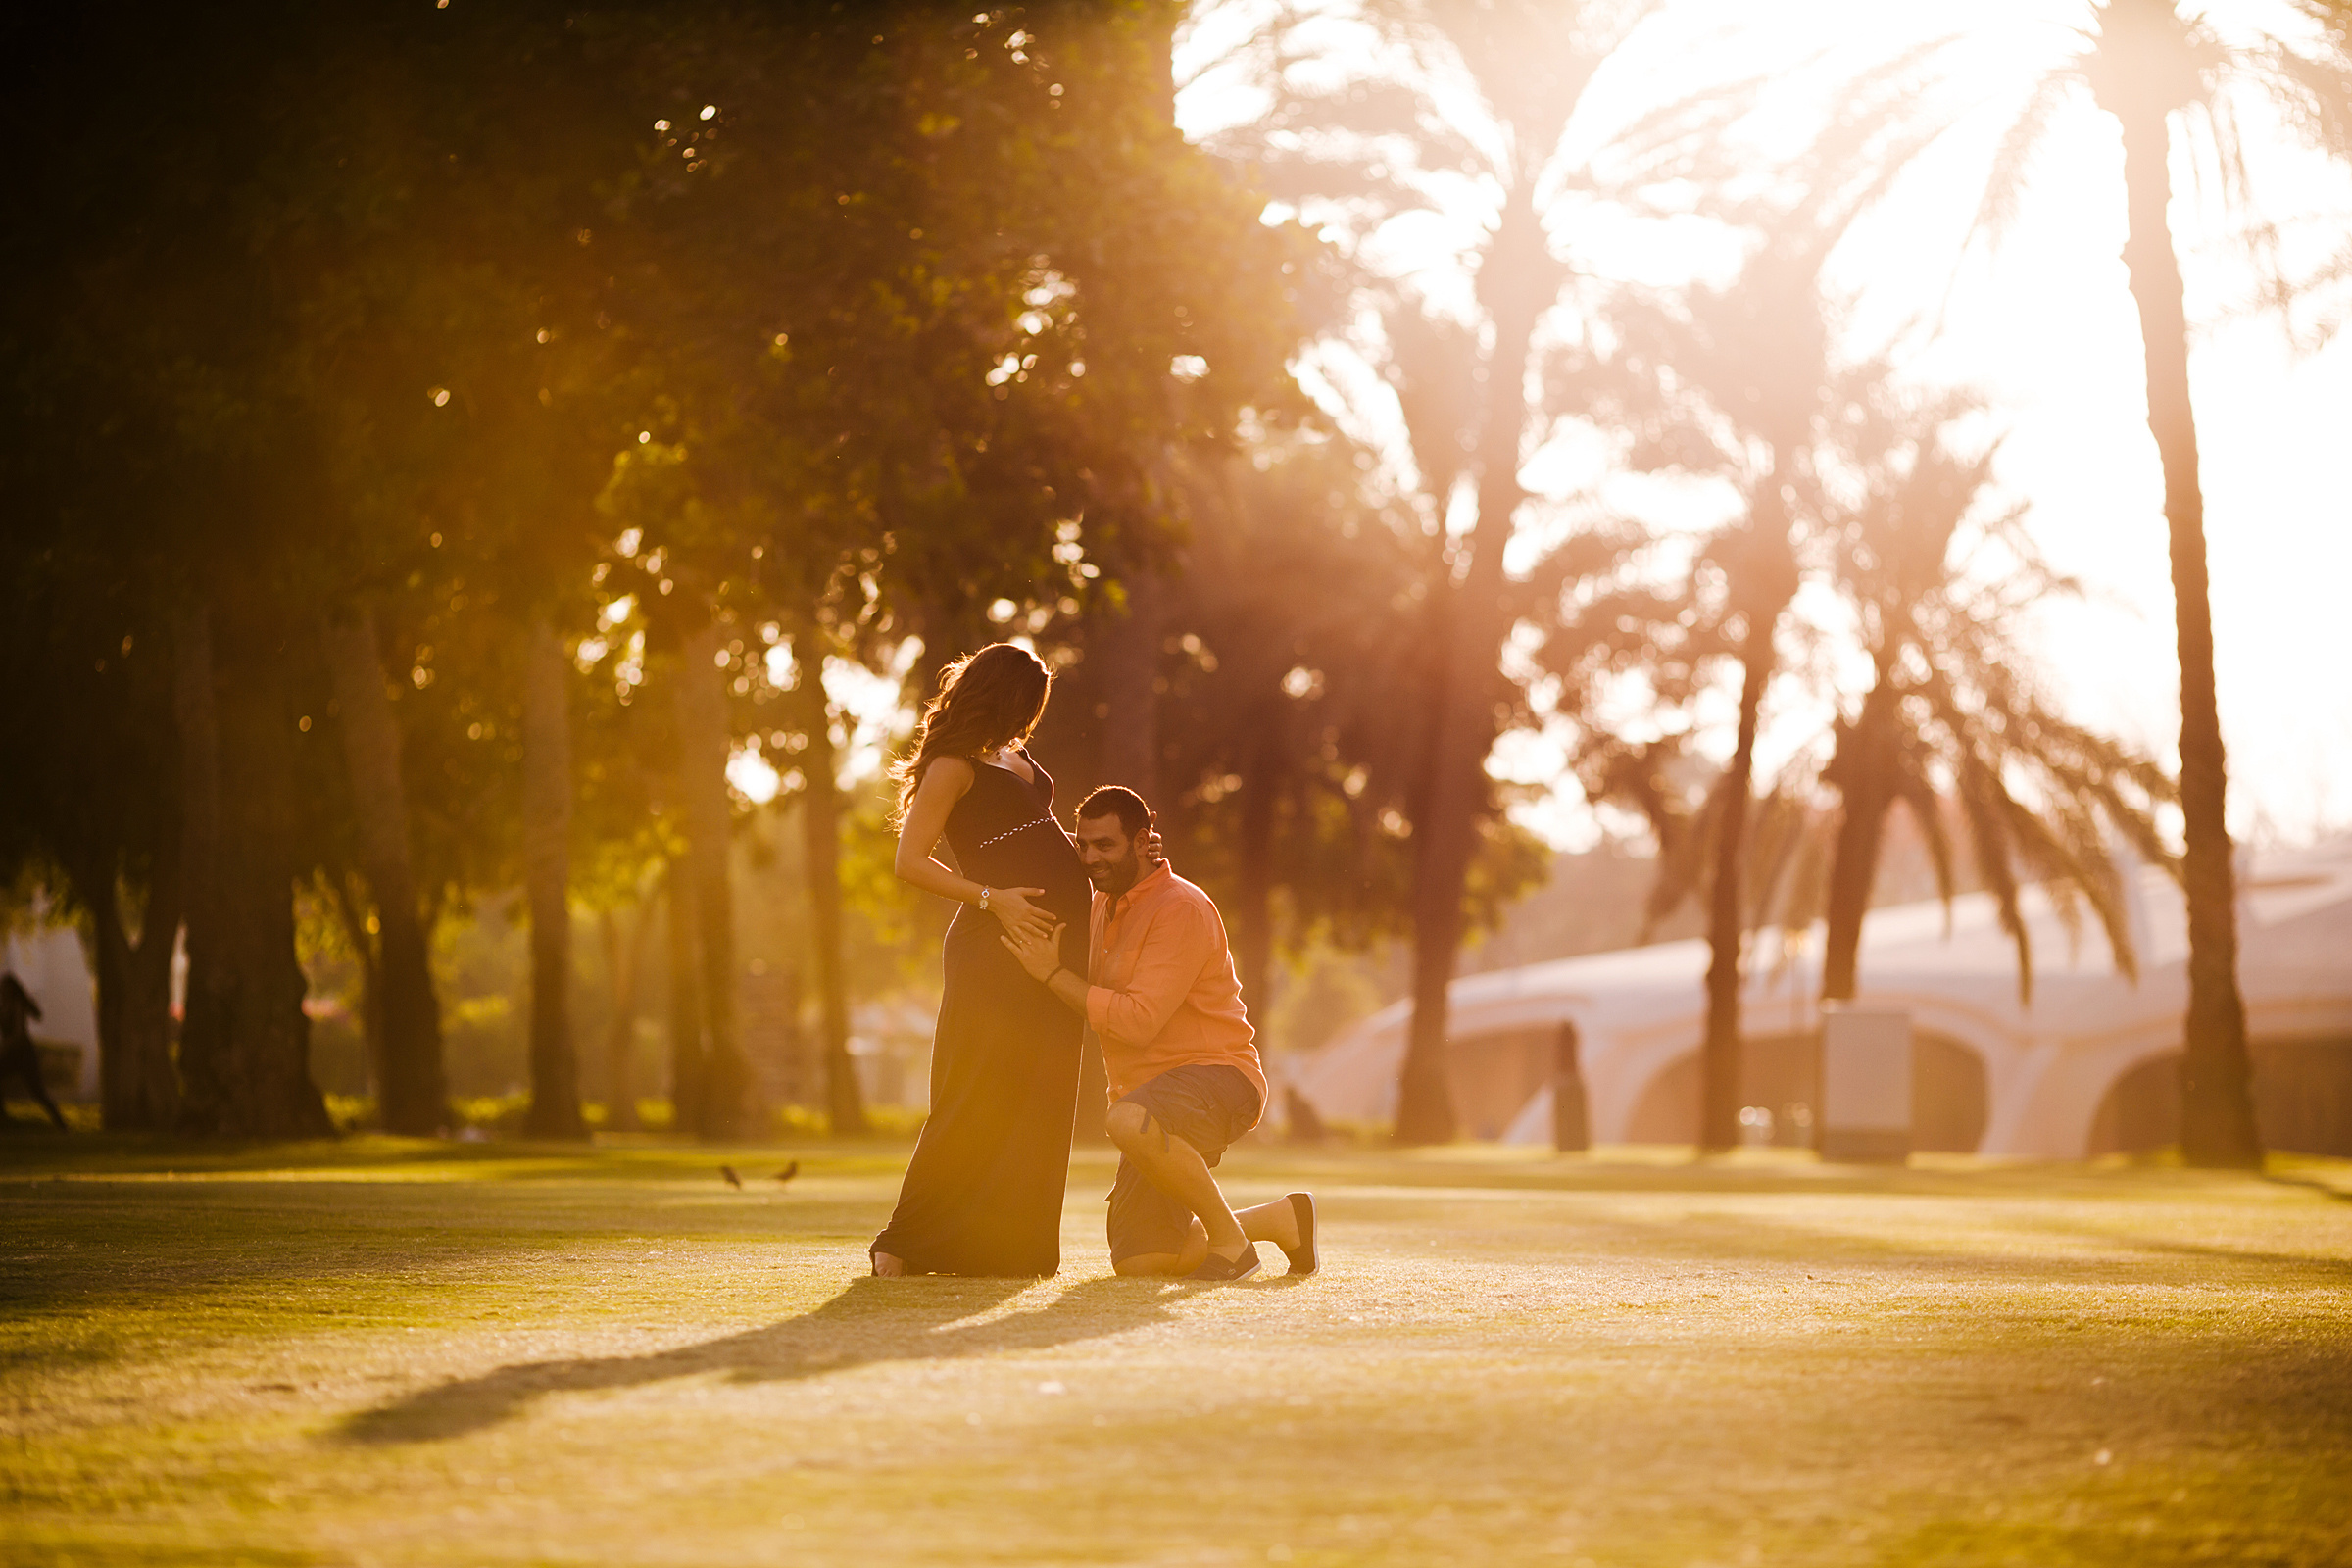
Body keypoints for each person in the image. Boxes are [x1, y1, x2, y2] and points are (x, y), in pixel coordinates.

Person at [1001, 787, 1316, 1282]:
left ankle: (1234, 1247)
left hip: (1220, 1079)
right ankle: (1279, 1219)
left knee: (1124, 1121)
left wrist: (1050, 974)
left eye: (1104, 845)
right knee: (1141, 1262)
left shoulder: (1180, 908)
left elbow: (1138, 1020)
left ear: (1141, 840)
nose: (1090, 858)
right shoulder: (1103, 903)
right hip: (1151, 1101)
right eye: (1083, 845)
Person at [868, 644, 1093, 1277]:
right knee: (974, 1091)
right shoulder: (951, 764)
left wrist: (1103, 853)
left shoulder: (1014, 756)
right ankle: (902, 1243)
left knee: (1039, 1092)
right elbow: (911, 861)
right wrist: (993, 899)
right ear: (1004, 693)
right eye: (1031, 701)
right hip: (992, 948)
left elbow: (1031, 835)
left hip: (1053, 948)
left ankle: (1006, 1247)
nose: (1036, 715)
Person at [0, 973, 68, 1131]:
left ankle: (61, 1125)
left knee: (38, 1092)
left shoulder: (16, 1005)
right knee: (38, 1091)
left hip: (22, 1054)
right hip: (15, 1053)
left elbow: (18, 1034)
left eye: (3, 987)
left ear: (10, 989)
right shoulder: (6, 1005)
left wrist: (4, 1049)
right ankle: (3, 1117)